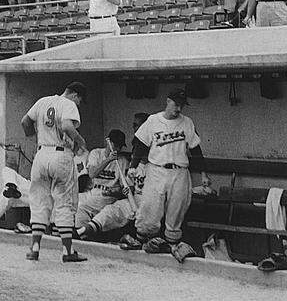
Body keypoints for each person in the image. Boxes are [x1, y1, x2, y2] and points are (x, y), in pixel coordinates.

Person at [122, 89, 212, 262]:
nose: (178, 108)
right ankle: (140, 250)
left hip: (180, 172)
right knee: (149, 210)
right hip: (156, 170)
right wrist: (133, 167)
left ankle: (171, 252)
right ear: (168, 101)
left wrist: (203, 174)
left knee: (176, 213)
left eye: (182, 105)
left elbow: (196, 150)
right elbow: (141, 145)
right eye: (176, 104)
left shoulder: (187, 122)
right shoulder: (153, 120)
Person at [20, 80, 88, 263]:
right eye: (80, 100)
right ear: (75, 95)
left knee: (39, 200)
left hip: (42, 153)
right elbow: (67, 125)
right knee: (65, 202)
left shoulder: (43, 101)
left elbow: (25, 122)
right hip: (60, 154)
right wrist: (80, 141)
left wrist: (34, 138)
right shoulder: (69, 103)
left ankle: (35, 248)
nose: (79, 104)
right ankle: (67, 251)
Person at [74, 129, 130, 231]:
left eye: (120, 146)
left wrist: (115, 192)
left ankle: (84, 233)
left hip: (108, 195)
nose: (117, 149)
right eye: (115, 145)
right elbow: (92, 174)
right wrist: (108, 159)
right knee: (72, 203)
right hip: (93, 192)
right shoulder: (96, 153)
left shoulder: (123, 161)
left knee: (81, 207)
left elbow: (124, 188)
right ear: (108, 141)